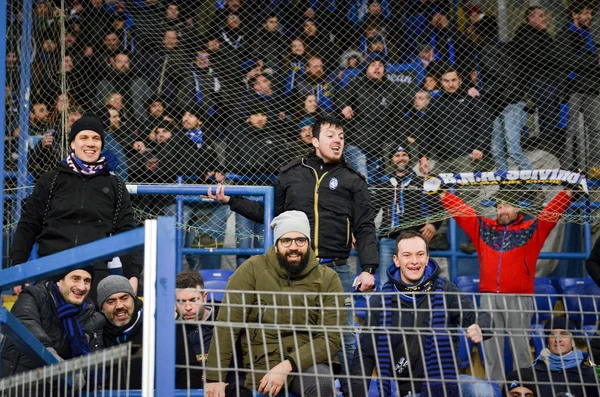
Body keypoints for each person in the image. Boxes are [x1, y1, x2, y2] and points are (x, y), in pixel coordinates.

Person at [208, 115, 379, 389]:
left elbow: (365, 225)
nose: (338, 141)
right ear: (314, 141)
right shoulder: (291, 173)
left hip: (336, 269)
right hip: (292, 271)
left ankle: (352, 393)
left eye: (342, 136)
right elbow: (268, 212)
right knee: (286, 330)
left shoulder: (353, 180)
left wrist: (369, 267)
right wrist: (232, 200)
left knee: (345, 337)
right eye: (331, 135)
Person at [204, 211, 344, 396]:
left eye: (300, 240)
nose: (293, 247)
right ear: (276, 245)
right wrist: (215, 377)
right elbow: (227, 325)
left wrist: (287, 365)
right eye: (286, 240)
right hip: (260, 365)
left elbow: (330, 338)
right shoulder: (252, 269)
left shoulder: (328, 278)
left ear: (308, 243)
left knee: (321, 385)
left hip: (308, 364)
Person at [440, 187, 572, 380]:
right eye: (499, 206)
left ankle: (524, 389)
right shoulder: (484, 228)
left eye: (507, 206)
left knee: (520, 350)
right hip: (489, 297)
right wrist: (444, 195)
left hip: (520, 297)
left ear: (518, 209)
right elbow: (463, 213)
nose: (502, 210)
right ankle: (496, 390)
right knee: (491, 352)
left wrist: (567, 195)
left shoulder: (530, 229)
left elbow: (549, 215)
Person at [10, 113, 142, 298]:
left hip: (95, 273)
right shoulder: (51, 180)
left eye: (96, 138)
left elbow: (126, 231)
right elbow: (29, 224)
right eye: (84, 137)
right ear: (72, 143)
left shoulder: (115, 185)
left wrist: (133, 275)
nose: (90, 143)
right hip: (51, 268)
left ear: (102, 145)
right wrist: (18, 265)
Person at [349, 230, 495, 397]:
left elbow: (478, 316)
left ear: (427, 258)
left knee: (482, 391)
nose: (414, 261)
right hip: (404, 390)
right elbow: (365, 355)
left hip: (447, 385)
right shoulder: (380, 301)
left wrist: (481, 327)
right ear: (396, 260)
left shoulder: (447, 290)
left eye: (420, 254)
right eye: (407, 255)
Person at [1, 268, 104, 378]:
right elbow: (26, 323)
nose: (82, 287)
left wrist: (81, 375)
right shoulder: (35, 295)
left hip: (58, 389)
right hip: (17, 384)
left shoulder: (94, 318)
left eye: (87, 281)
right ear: (59, 281)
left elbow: (94, 362)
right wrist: (56, 364)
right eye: (75, 279)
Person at [372, 145, 443, 288]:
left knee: (415, 282)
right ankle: (386, 310)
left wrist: (433, 225)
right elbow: (371, 211)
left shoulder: (422, 182)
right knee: (386, 283)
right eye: (397, 156)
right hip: (388, 240)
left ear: (410, 158)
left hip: (413, 241)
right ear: (391, 159)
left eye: (404, 155)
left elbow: (439, 209)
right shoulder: (384, 184)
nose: (401, 158)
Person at [505, 317, 599, 396]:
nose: (558, 339)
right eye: (552, 334)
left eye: (564, 334)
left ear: (573, 341)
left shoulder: (589, 375)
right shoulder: (530, 375)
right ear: (547, 342)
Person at [557, 0, 600, 174]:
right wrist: (594, 62)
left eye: (590, 13)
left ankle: (595, 168)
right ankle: (569, 172)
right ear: (575, 14)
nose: (589, 17)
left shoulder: (588, 35)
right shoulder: (565, 34)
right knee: (571, 132)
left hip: (591, 87)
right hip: (572, 88)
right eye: (585, 12)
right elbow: (568, 61)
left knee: (597, 129)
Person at [98, 275, 144, 389]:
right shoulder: (96, 335)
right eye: (111, 301)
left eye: (124, 298)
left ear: (133, 300)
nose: (119, 306)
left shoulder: (157, 328)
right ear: (102, 309)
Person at [175, 270, 215, 389]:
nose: (187, 308)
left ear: (204, 297)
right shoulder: (171, 332)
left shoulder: (224, 322)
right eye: (181, 301)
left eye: (193, 300)